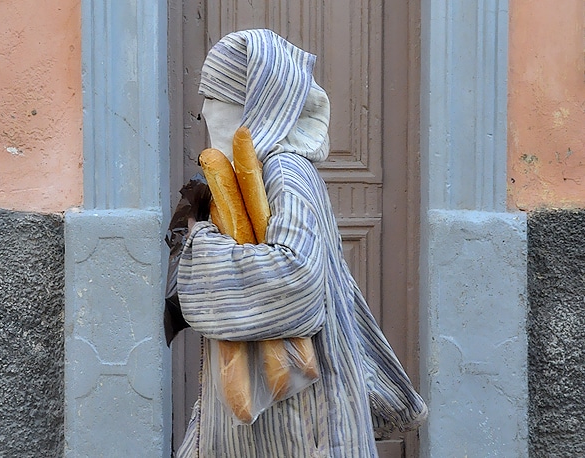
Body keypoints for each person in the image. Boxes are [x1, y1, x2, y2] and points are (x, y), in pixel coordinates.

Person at [176, 29, 427, 458]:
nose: (201, 111)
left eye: (213, 97)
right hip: (273, 414)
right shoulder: (251, 171)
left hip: (300, 421)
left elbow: (295, 279)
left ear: (254, 103)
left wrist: (200, 248)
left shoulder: (286, 175)